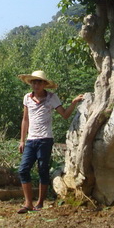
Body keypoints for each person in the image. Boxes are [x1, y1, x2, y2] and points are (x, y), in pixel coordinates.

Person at [16, 70, 84, 214]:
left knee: (42, 169)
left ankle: (40, 202)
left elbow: (65, 115)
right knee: (23, 169)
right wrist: (22, 140)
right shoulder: (27, 98)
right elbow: (25, 119)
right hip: (31, 140)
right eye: (34, 82)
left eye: (39, 82)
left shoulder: (52, 98)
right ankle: (28, 203)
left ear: (44, 84)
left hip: (45, 139)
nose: (36, 85)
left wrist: (73, 103)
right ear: (31, 83)